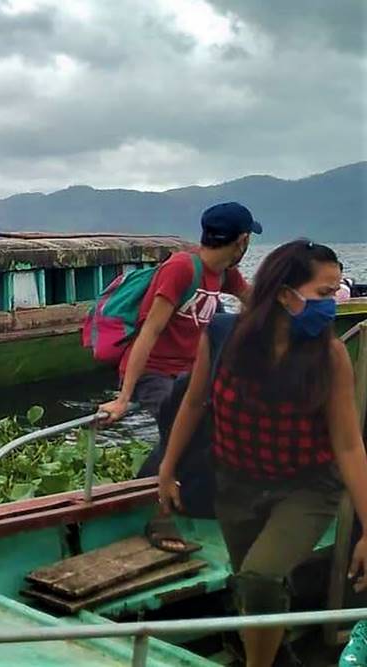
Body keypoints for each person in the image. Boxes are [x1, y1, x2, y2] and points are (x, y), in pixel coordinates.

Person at [158, 240, 367, 667]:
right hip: (236, 483)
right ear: (285, 294)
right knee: (251, 589)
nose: (331, 305)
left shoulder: (329, 357)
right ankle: (281, 657)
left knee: (260, 577)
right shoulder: (221, 337)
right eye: (323, 294)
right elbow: (195, 403)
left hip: (307, 488)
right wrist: (167, 467)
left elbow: (348, 445)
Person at [99, 202, 256, 552]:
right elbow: (150, 331)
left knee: (209, 421)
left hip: (187, 372)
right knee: (178, 428)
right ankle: (152, 510)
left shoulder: (225, 274)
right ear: (242, 241)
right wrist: (124, 398)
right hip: (153, 371)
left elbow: (254, 302)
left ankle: (192, 496)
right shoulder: (183, 268)